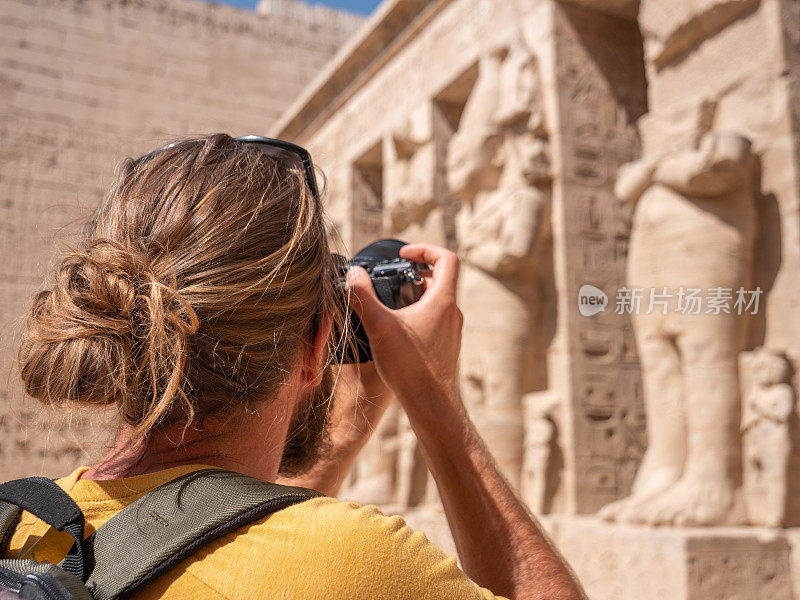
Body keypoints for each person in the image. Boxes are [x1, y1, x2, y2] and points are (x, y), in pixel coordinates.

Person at [9, 134, 586, 600]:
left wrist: (357, 411)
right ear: (318, 343)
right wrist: (431, 395)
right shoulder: (356, 563)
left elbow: (217, 523)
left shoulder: (22, 524)